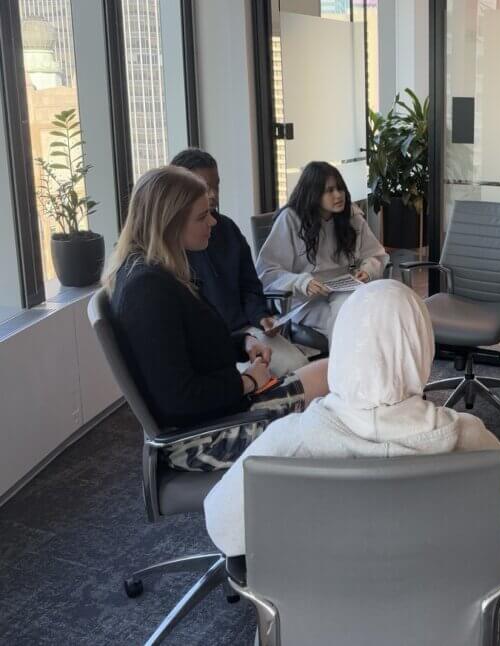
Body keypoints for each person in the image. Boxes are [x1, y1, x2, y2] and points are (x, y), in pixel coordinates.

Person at [203, 279, 500, 561]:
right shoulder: (468, 439)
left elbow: (224, 528)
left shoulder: (286, 443)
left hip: (317, 619)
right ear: (422, 349)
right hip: (434, 619)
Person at [105, 166, 329, 471]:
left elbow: (192, 347)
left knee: (332, 372)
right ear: (170, 223)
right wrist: (248, 382)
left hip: (221, 413)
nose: (212, 222)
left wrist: (244, 343)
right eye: (201, 216)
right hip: (206, 438)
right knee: (334, 407)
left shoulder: (153, 274)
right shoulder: (148, 290)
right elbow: (179, 398)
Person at [170, 148, 308, 376]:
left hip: (248, 331)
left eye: (217, 185)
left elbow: (250, 286)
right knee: (260, 381)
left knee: (299, 369)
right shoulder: (171, 251)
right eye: (205, 188)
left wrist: (261, 317)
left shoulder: (228, 230)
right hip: (211, 344)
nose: (213, 194)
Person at [255, 162, 388, 342]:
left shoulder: (351, 216)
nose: (338, 195)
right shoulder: (291, 220)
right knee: (348, 325)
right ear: (313, 193)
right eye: (329, 190)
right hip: (304, 299)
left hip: (343, 289)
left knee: (365, 317)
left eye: (340, 188)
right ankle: (344, 369)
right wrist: (302, 282)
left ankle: (356, 368)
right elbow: (267, 272)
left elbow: (376, 254)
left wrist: (368, 270)